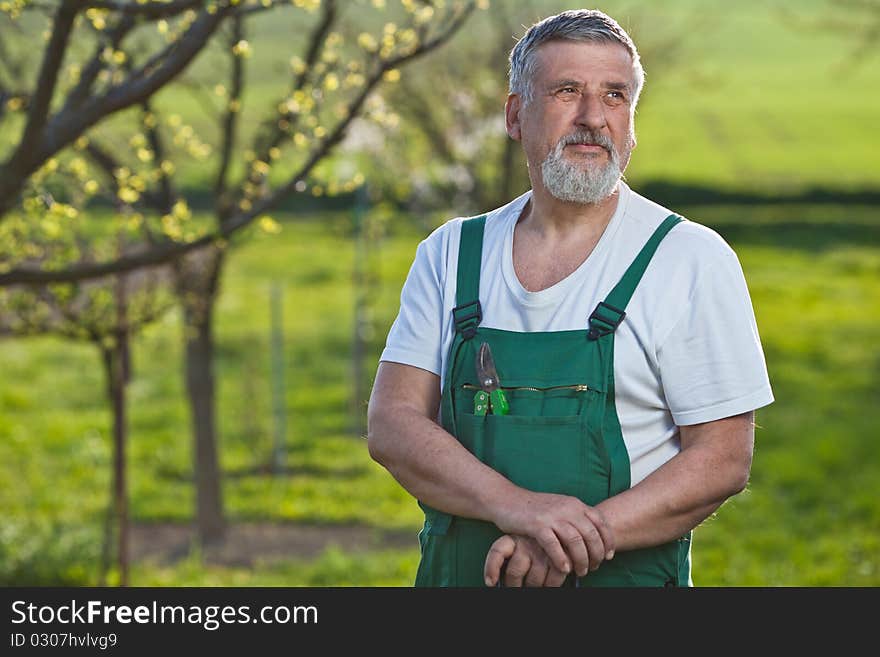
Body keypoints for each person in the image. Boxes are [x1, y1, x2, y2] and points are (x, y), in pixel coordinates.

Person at [366, 9, 773, 587]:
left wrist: (564, 543)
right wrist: (516, 506)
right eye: (566, 92)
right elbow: (393, 423)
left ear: (632, 119)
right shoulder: (451, 253)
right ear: (515, 114)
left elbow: (722, 460)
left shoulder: (688, 258)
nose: (593, 118)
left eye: (614, 96)